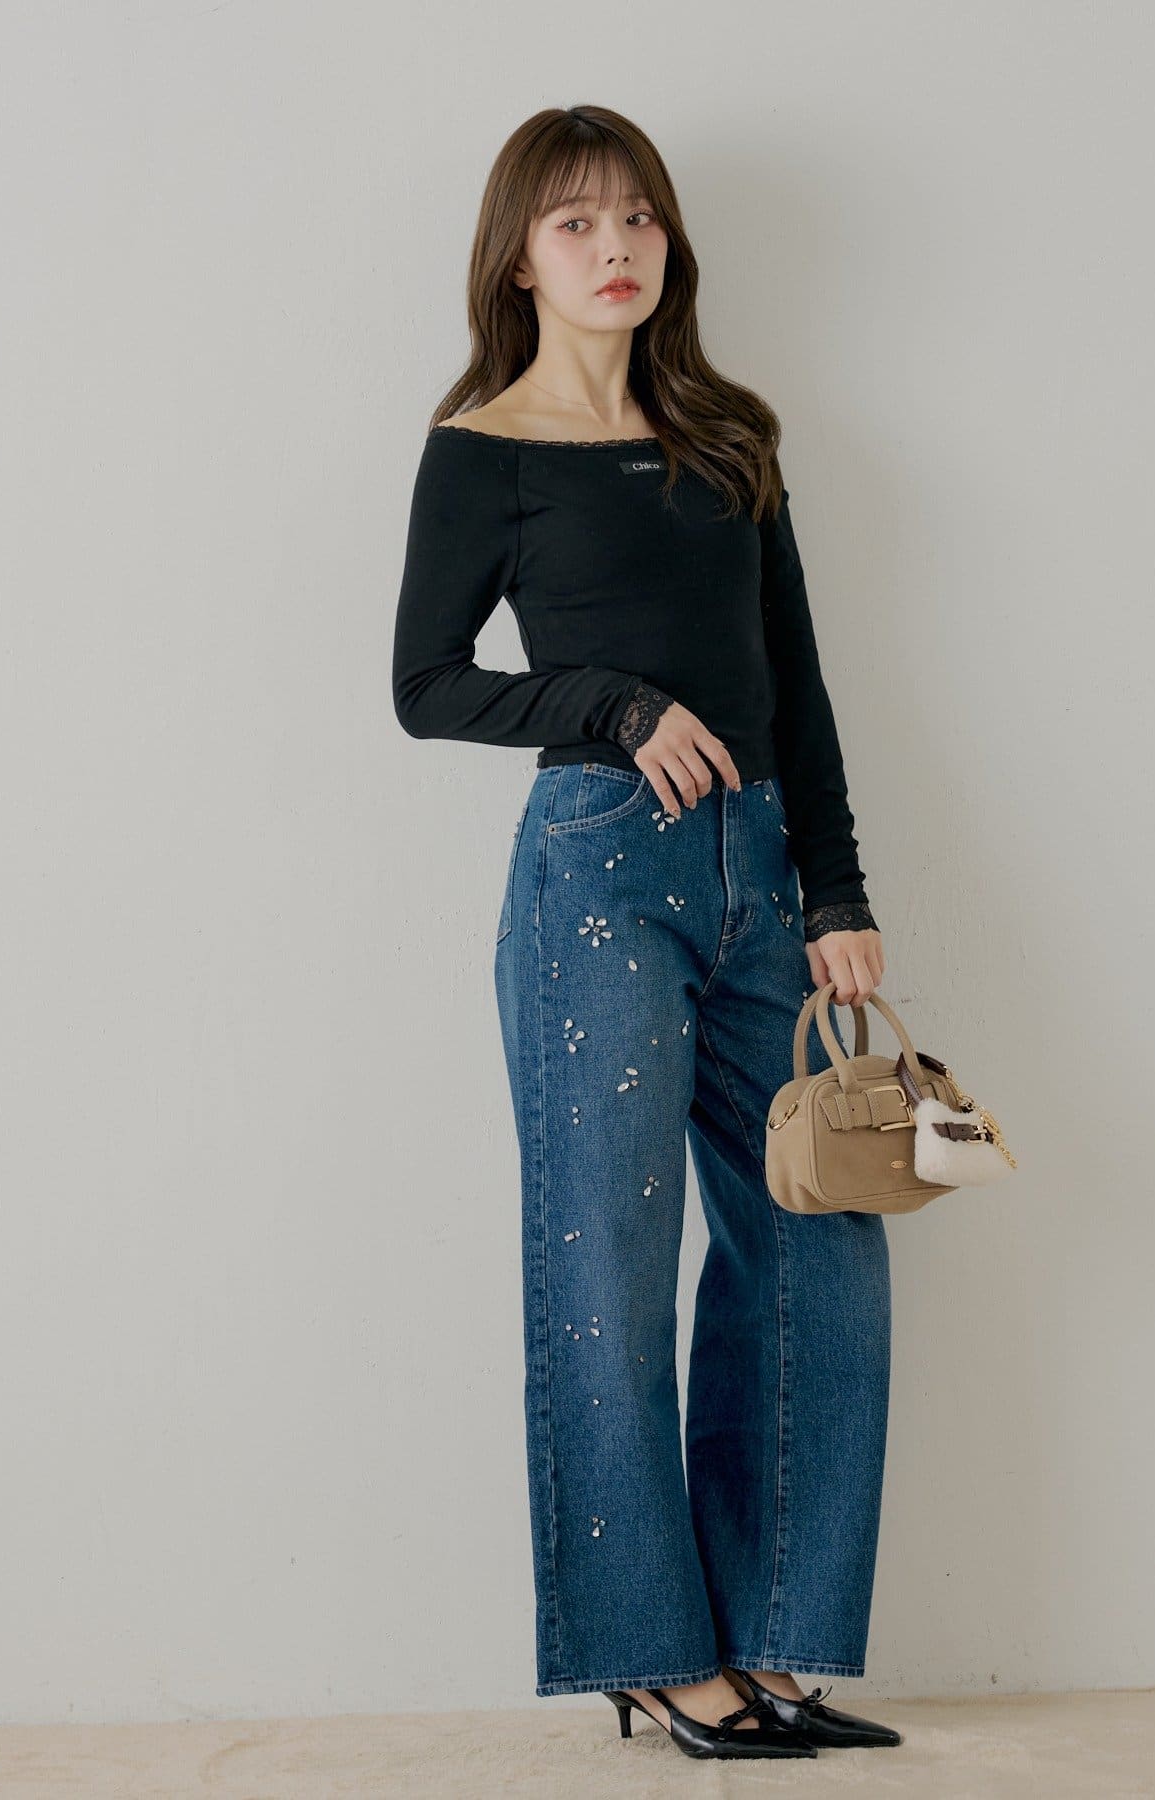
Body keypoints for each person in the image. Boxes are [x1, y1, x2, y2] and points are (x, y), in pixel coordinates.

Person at [392, 104, 901, 1761]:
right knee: (605, 1272)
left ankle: (774, 1643)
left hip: (759, 873)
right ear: (518, 262)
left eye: (637, 219)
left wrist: (837, 890)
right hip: (600, 877)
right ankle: (656, 1656)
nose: (613, 248)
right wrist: (609, 703)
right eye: (574, 224)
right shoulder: (484, 448)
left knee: (820, 1241)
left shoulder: (730, 438)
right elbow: (425, 684)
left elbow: (796, 679)